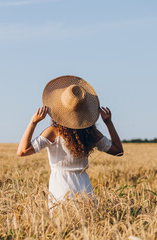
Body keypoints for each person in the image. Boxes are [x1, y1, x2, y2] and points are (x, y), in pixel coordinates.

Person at [16, 75, 124, 209]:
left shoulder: (53, 132)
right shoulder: (90, 133)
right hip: (85, 190)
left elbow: (22, 151)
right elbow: (118, 151)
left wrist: (33, 122)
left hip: (60, 190)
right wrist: (109, 123)